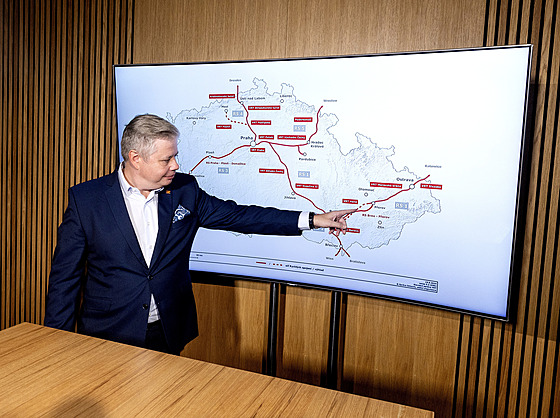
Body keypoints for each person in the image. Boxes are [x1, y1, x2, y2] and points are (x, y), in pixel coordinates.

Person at [44, 113, 353, 355]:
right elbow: (64, 278)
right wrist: (57, 342)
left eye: (174, 156)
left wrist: (313, 219)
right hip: (108, 333)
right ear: (136, 158)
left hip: (166, 331)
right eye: (166, 159)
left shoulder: (185, 191)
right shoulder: (86, 200)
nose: (175, 165)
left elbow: (241, 216)